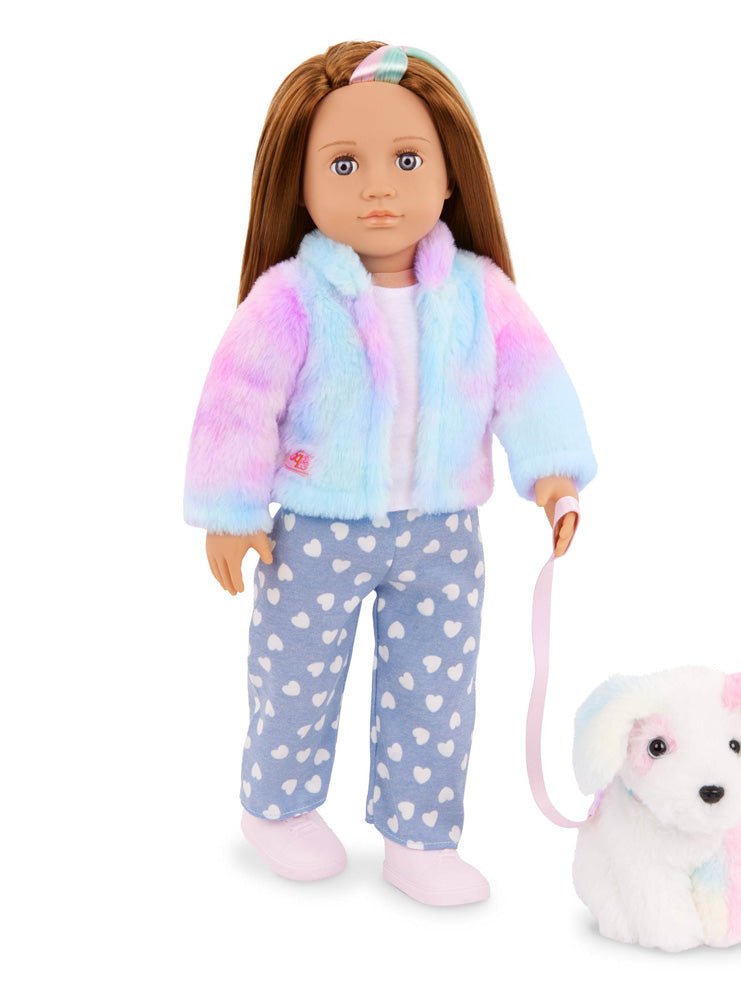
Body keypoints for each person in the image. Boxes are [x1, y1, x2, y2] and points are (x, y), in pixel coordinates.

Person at [183, 41, 597, 906]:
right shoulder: (291, 297)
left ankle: (419, 835)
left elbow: (531, 381)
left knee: (436, 690)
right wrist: (230, 507)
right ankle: (277, 808)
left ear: (450, 176)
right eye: (345, 165)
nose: (379, 188)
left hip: (443, 532)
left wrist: (553, 475)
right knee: (296, 675)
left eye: (407, 160)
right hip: (318, 527)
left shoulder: (478, 292)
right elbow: (238, 398)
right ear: (301, 185)